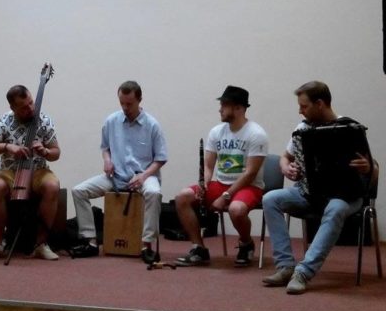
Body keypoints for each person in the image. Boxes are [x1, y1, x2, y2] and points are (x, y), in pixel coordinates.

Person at [262, 80, 378, 294]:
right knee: (270, 199)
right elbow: (285, 157)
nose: (300, 111)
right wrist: (286, 167)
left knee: (335, 208)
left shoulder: (350, 129)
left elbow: (374, 170)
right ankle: (285, 266)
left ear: (320, 104)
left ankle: (303, 272)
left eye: (304, 106)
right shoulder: (303, 129)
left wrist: (368, 168)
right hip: (308, 192)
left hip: (345, 196)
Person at [71, 81, 168, 263]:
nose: (125, 107)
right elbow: (105, 148)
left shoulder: (152, 125)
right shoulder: (111, 121)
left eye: (129, 104)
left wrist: (144, 176)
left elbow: (161, 158)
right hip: (116, 176)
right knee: (79, 191)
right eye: (122, 103)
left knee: (154, 193)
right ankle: (90, 241)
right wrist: (107, 160)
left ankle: (146, 244)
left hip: (143, 175)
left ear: (139, 100)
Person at [175, 85, 268, 267]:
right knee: (182, 197)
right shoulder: (216, 132)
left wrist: (225, 196)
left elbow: (250, 173)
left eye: (224, 105)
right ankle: (198, 248)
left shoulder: (256, 134)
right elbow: (209, 166)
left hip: (248, 186)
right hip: (221, 183)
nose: (220, 109)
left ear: (238, 108)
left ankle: (246, 243)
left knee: (236, 209)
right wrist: (204, 183)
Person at [0, 84, 61, 261]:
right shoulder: (4, 121)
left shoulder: (44, 120)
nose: (30, 109)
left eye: (31, 103)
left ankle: (40, 245)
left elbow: (56, 152)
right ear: (13, 108)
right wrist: (7, 147)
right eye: (24, 107)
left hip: (38, 170)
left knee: (52, 186)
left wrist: (45, 151)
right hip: (10, 171)